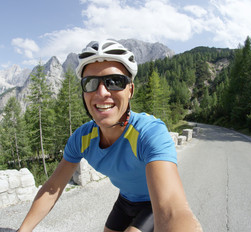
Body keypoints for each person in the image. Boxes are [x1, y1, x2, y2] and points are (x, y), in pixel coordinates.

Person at [18, 40, 203, 232]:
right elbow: (52, 188)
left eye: (115, 82)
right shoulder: (81, 138)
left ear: (130, 90)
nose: (102, 92)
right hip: (125, 201)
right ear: (83, 93)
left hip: (151, 204)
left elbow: (171, 212)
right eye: (90, 83)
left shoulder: (149, 133)